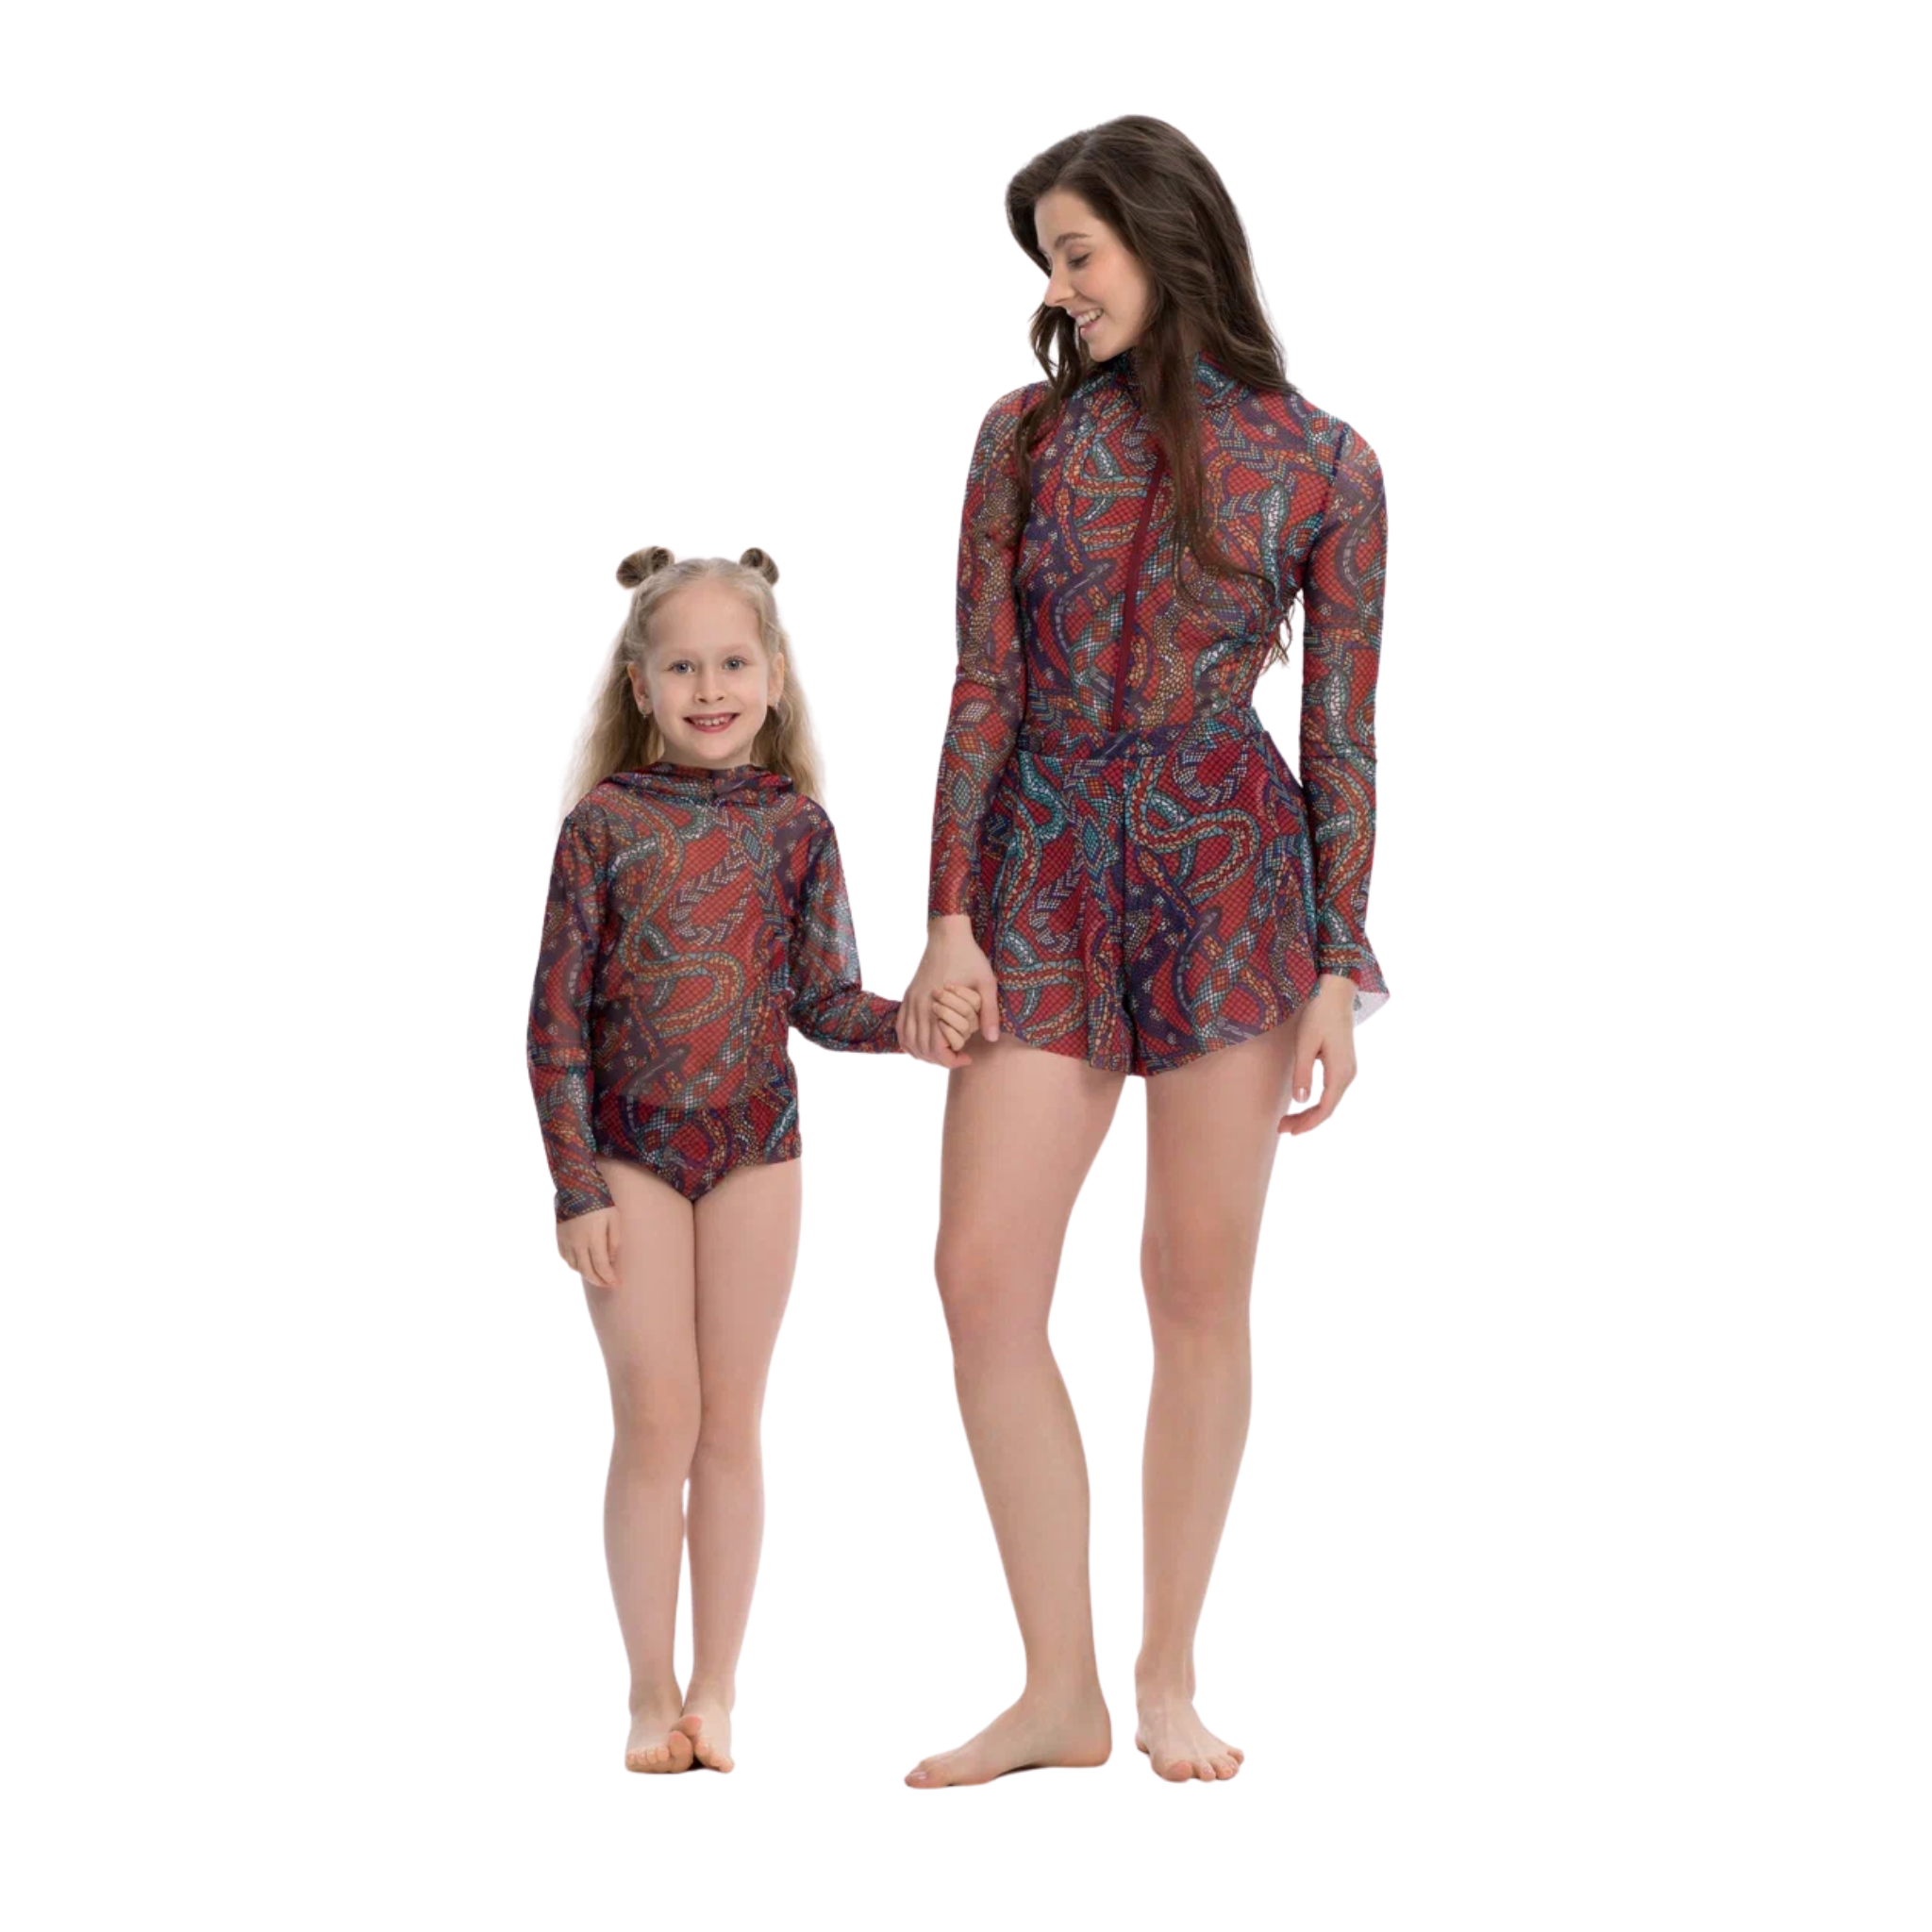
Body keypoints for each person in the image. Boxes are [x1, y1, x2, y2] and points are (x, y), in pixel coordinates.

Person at [898, 116, 1391, 1787]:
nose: (1058, 287)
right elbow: (984, 684)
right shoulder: (1022, 438)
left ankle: (1167, 1672)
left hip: (1229, 882)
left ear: (1167, 240)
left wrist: (1337, 965)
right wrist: (948, 914)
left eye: (1077, 252)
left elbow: (1342, 738)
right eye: (1048, 260)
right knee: (981, 1278)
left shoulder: (1325, 463)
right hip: (1038, 870)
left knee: (1194, 1282)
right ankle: (1060, 1692)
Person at [528, 544, 981, 1774]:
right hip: (628, 1148)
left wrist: (912, 1027)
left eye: (733, 663)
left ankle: (715, 1692)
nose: (710, 688)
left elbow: (823, 1000)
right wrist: (575, 1185)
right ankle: (646, 1691)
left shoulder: (796, 827)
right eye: (683, 667)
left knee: (730, 1422)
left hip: (756, 1150)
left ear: (775, 677)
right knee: (655, 1420)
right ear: (640, 684)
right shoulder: (603, 827)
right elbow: (555, 1025)